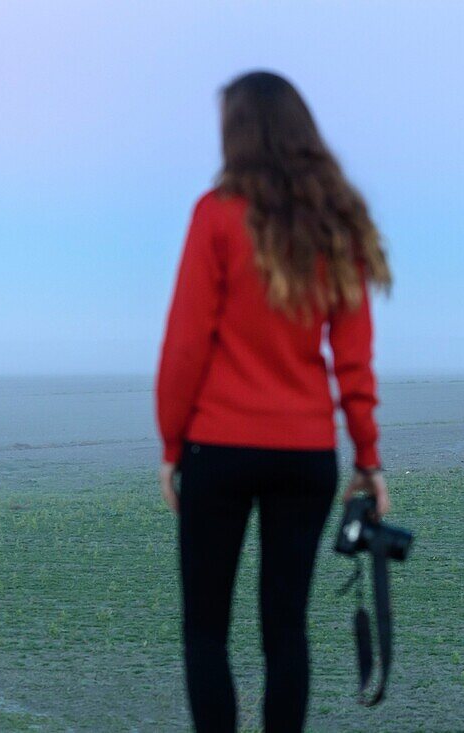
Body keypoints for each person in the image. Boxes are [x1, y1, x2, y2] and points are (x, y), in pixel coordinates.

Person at [155, 70, 393, 733]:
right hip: (305, 453)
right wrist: (369, 459)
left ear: (240, 133)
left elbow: (184, 347)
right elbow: (353, 358)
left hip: (219, 450)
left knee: (206, 630)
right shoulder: (335, 225)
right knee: (285, 629)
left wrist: (172, 445)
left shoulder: (216, 214)